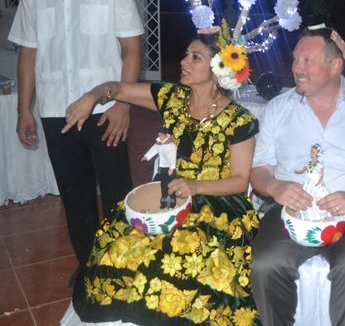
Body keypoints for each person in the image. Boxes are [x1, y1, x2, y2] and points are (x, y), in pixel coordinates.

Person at [60, 37, 261, 325]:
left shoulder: (239, 120)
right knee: (116, 245)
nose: (183, 62)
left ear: (219, 69)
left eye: (195, 57)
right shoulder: (171, 97)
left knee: (182, 255)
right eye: (185, 54)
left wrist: (196, 187)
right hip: (165, 197)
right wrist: (92, 96)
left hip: (218, 205)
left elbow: (241, 181)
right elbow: (116, 89)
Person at [8, 0, 143, 276]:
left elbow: (131, 49)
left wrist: (124, 105)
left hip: (105, 111)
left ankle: (125, 266)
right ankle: (90, 268)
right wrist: (24, 111)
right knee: (75, 194)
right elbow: (28, 55)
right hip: (55, 110)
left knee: (117, 192)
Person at [249, 26, 345, 326]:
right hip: (291, 211)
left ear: (335, 66)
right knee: (265, 264)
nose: (297, 68)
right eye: (295, 59)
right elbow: (259, 170)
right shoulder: (279, 108)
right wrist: (274, 186)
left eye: (308, 61)